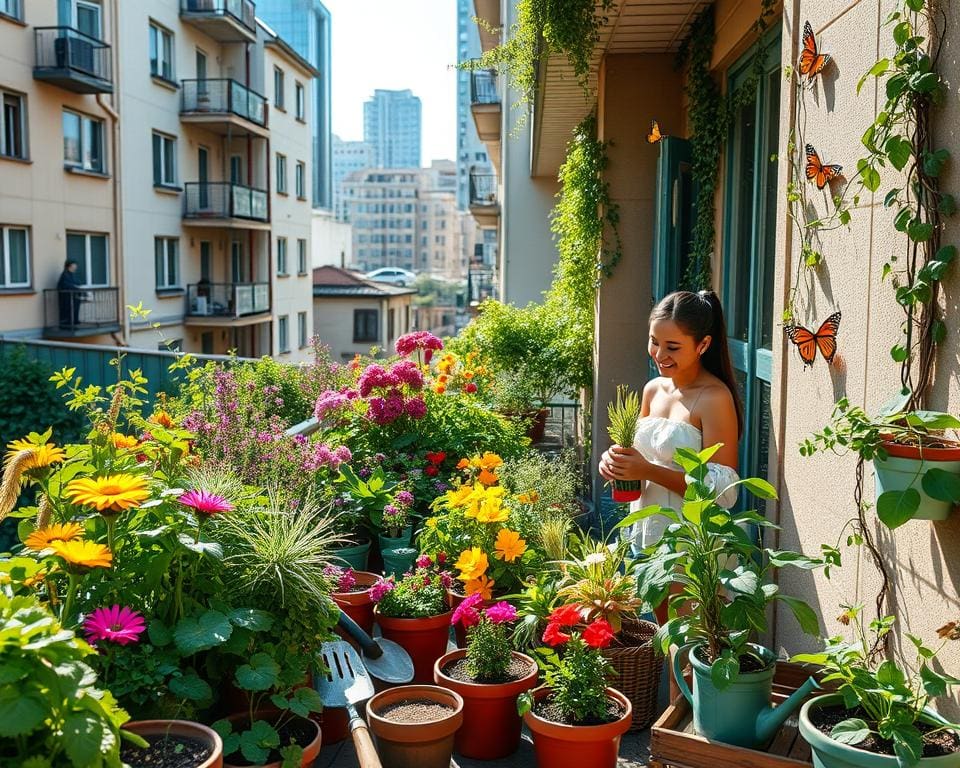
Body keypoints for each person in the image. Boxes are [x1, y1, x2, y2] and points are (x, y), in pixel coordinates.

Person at [598, 289, 743, 622]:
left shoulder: (714, 398)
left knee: (688, 653)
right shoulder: (653, 389)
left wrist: (647, 469)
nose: (659, 354)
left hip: (689, 545)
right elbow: (637, 453)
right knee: (664, 645)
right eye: (654, 342)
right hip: (645, 536)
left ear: (703, 345)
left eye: (672, 347)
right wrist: (615, 460)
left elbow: (725, 490)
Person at [57, 259, 83, 328]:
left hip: (74, 296)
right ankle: (69, 322)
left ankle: (75, 320)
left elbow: (77, 282)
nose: (75, 267)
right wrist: (75, 287)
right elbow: (65, 285)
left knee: (75, 308)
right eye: (74, 265)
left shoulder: (72, 274)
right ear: (69, 266)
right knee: (69, 310)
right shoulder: (65, 274)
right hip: (67, 297)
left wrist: (79, 286)